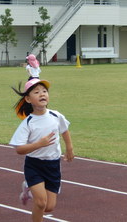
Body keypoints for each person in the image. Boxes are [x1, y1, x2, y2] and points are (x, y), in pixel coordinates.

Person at [9, 78, 74, 222]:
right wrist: (39, 144)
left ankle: (27, 189)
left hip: (53, 165)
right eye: (36, 92)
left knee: (49, 207)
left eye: (44, 91)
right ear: (28, 99)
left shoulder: (56, 116)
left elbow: (64, 130)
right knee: (40, 203)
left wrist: (69, 148)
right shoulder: (28, 122)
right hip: (34, 165)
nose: (42, 94)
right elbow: (19, 149)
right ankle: (30, 186)